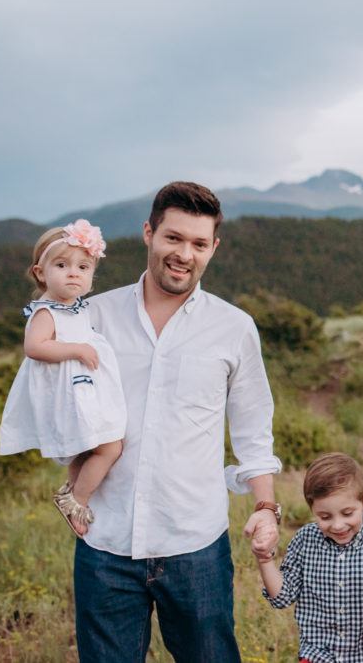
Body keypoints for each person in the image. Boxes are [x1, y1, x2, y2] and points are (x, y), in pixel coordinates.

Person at [74, 181, 283, 662]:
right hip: (105, 543)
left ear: (213, 248)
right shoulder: (94, 317)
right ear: (149, 233)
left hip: (196, 546)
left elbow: (253, 429)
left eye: (198, 243)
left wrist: (266, 508)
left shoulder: (234, 327)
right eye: (173, 238)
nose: (183, 253)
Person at [0, 219, 126, 537]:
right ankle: (76, 498)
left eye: (83, 267)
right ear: (41, 273)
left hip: (83, 389)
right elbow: (34, 347)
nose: (74, 272)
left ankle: (71, 490)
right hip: (66, 394)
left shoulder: (77, 308)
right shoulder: (46, 312)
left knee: (85, 448)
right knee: (110, 447)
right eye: (62, 264)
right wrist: (77, 349)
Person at [255, 452, 363, 663]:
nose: (337, 525)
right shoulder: (304, 540)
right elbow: (282, 598)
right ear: (312, 508)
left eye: (347, 513)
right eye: (324, 517)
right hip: (317, 657)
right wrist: (265, 560)